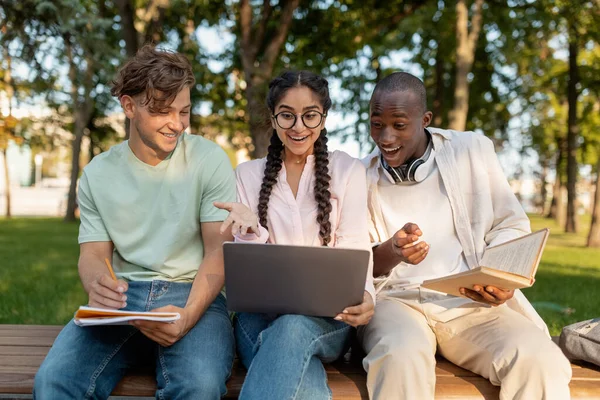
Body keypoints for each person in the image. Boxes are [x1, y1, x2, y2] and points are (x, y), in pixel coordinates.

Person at [34, 45, 236, 399]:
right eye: (163, 111)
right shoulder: (98, 173)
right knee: (54, 382)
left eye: (184, 111)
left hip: (194, 294)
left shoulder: (208, 160)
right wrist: (97, 282)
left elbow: (218, 251)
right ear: (129, 106)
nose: (177, 123)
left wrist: (188, 316)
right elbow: (94, 254)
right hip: (122, 298)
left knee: (198, 386)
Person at [358, 72, 572, 400]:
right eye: (376, 124)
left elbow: (510, 224)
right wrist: (392, 251)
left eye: (399, 125)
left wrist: (500, 278)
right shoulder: (359, 176)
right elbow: (354, 262)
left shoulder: (470, 150)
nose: (386, 137)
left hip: (467, 301)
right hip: (395, 303)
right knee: (399, 357)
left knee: (539, 360)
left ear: (425, 119)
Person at [214, 70, 375, 400]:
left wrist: (367, 295)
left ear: (324, 117)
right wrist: (248, 231)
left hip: (327, 321)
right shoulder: (247, 175)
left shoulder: (348, 171)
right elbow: (245, 271)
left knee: (290, 329)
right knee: (300, 374)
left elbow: (355, 243)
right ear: (273, 119)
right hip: (256, 322)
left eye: (309, 115)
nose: (298, 127)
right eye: (287, 116)